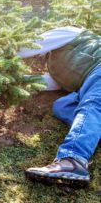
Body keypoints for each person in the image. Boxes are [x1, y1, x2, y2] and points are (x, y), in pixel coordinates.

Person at [18, 26, 101, 186]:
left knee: (92, 105)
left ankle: (73, 159)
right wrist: (6, 80)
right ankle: (92, 135)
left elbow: (26, 46)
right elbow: (43, 83)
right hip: (89, 84)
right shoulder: (55, 66)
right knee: (62, 105)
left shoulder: (70, 33)